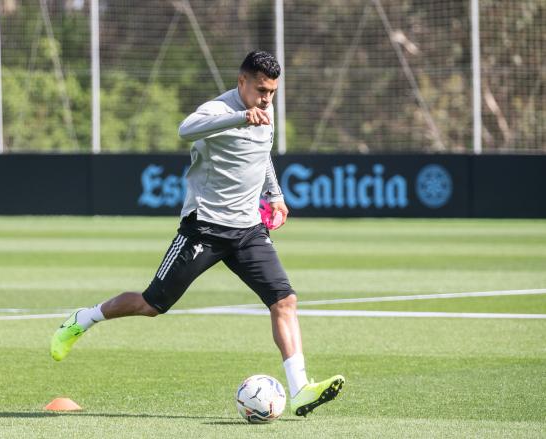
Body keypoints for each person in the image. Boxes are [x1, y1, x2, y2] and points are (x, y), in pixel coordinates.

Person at [50, 50, 345, 417]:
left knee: (284, 301)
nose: (266, 98)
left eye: (272, 91)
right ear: (241, 82)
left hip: (248, 230)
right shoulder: (218, 111)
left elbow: (262, 153)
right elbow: (184, 129)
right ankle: (84, 318)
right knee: (151, 304)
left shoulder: (264, 113)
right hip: (203, 228)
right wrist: (239, 117)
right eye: (260, 89)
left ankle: (300, 388)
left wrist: (276, 194)